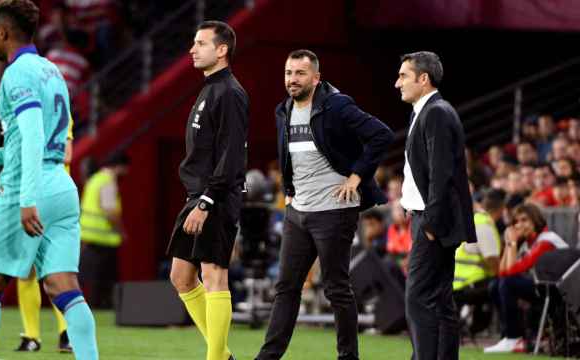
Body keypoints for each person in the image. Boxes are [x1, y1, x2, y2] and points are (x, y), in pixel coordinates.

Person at [0, 1, 98, 359]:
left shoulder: (17, 73)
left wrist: (26, 199)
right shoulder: (53, 72)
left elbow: (34, 135)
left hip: (26, 188)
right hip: (62, 187)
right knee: (64, 286)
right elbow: (45, 142)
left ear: (2, 32)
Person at [255, 49, 393, 360]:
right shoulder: (283, 110)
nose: (292, 79)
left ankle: (348, 357)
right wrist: (289, 189)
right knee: (286, 289)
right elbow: (289, 157)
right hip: (297, 212)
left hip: (334, 211)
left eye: (300, 73)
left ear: (316, 78)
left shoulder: (337, 105)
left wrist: (357, 177)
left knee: (336, 289)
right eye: (289, 73)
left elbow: (381, 135)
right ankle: (267, 357)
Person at [166, 20, 248, 360]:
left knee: (215, 275)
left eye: (200, 43)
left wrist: (207, 200)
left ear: (222, 49)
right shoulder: (210, 88)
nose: (192, 49)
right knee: (181, 276)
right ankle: (223, 355)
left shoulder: (230, 92)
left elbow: (231, 154)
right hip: (198, 195)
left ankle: (215, 357)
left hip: (216, 196)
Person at [395, 51, 476, 359]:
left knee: (418, 298)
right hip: (427, 216)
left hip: (432, 220)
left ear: (423, 79)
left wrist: (430, 222)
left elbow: (441, 174)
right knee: (440, 300)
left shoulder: (437, 112)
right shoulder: (425, 111)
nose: (397, 82)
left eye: (404, 75)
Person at [15, 116, 75, 352]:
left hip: (54, 198)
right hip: (28, 198)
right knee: (26, 270)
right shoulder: (23, 114)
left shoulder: (60, 112)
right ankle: (31, 337)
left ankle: (66, 334)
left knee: (56, 269)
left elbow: (67, 154)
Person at [484, 203, 569, 353]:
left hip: (561, 292)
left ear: (535, 219)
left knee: (507, 283)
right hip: (544, 288)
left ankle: (513, 337)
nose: (519, 225)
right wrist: (509, 243)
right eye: (516, 221)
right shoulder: (528, 242)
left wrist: (513, 242)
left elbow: (512, 272)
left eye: (524, 220)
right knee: (495, 285)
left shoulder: (546, 240)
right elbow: (502, 272)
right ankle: (510, 336)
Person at [79, 153, 128, 308]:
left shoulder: (94, 179)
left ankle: (95, 304)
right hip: (104, 237)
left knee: (92, 275)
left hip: (88, 234)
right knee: (104, 277)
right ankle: (101, 305)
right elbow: (110, 211)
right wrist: (120, 230)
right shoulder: (107, 181)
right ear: (120, 166)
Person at [452, 189, 504, 335]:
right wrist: (502, 275)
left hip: (457, 283)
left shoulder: (474, 220)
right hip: (469, 284)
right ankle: (509, 332)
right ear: (501, 209)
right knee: (503, 286)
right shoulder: (485, 225)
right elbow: (492, 260)